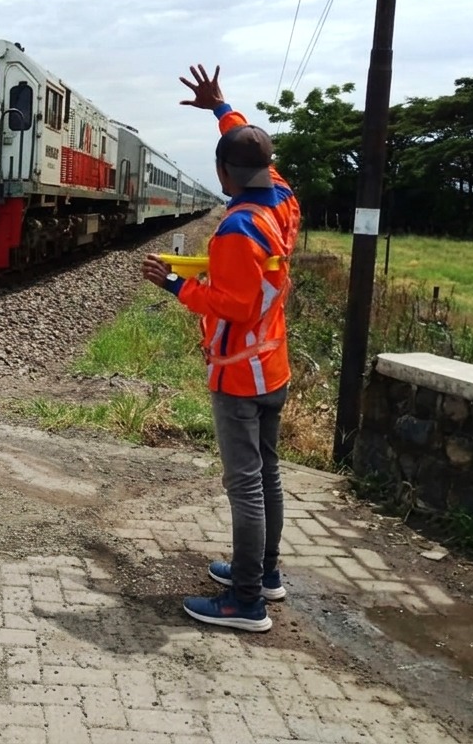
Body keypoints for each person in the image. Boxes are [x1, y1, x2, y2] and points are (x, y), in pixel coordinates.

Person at [141, 65, 300, 632]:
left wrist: (174, 284)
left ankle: (246, 600)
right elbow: (253, 155)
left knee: (245, 485)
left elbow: (233, 305)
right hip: (273, 365)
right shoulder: (281, 203)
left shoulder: (235, 231)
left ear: (222, 173)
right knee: (268, 475)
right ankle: (266, 573)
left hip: (239, 374)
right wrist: (221, 109)